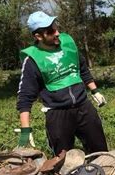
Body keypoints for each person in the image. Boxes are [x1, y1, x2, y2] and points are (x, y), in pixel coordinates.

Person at [17, 11, 108, 155]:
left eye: (56, 27)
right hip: (57, 113)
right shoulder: (33, 60)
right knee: (62, 159)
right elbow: (25, 96)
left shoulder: (68, 45)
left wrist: (95, 91)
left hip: (84, 107)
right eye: (51, 31)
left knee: (100, 151)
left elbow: (82, 69)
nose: (57, 33)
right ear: (38, 36)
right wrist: (25, 129)